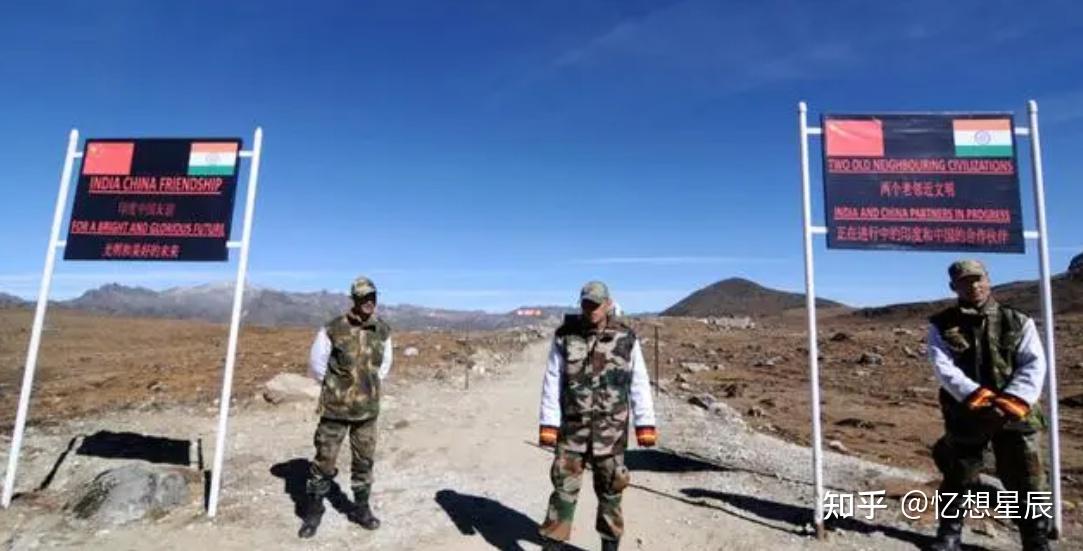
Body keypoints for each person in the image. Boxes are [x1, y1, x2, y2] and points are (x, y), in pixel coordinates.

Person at [926, 260, 1051, 551]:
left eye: (978, 279)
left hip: (1016, 415)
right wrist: (979, 400)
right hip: (967, 412)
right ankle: (949, 534)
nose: (973, 286)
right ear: (953, 286)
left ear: (988, 280)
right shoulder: (941, 324)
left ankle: (1036, 540)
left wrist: (1008, 403)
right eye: (964, 281)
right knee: (959, 472)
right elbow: (943, 367)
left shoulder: (1018, 320)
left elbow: (1033, 364)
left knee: (1028, 478)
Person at [537, 281, 657, 551]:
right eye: (586, 304)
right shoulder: (565, 336)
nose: (591, 310)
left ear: (608, 304)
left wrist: (645, 423)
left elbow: (638, 381)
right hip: (572, 431)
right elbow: (552, 380)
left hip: (610, 433)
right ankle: (553, 544)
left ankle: (609, 547)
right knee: (563, 491)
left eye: (596, 305)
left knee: (611, 493)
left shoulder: (626, 338)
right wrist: (548, 424)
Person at [298, 276, 393, 538]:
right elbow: (317, 365)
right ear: (354, 299)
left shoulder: (383, 331)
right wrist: (338, 388)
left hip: (367, 411)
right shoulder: (333, 328)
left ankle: (361, 509)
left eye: (372, 297)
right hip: (335, 410)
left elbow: (383, 366)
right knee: (324, 461)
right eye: (363, 298)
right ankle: (313, 511)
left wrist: (366, 388)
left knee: (364, 462)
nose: (369, 302)